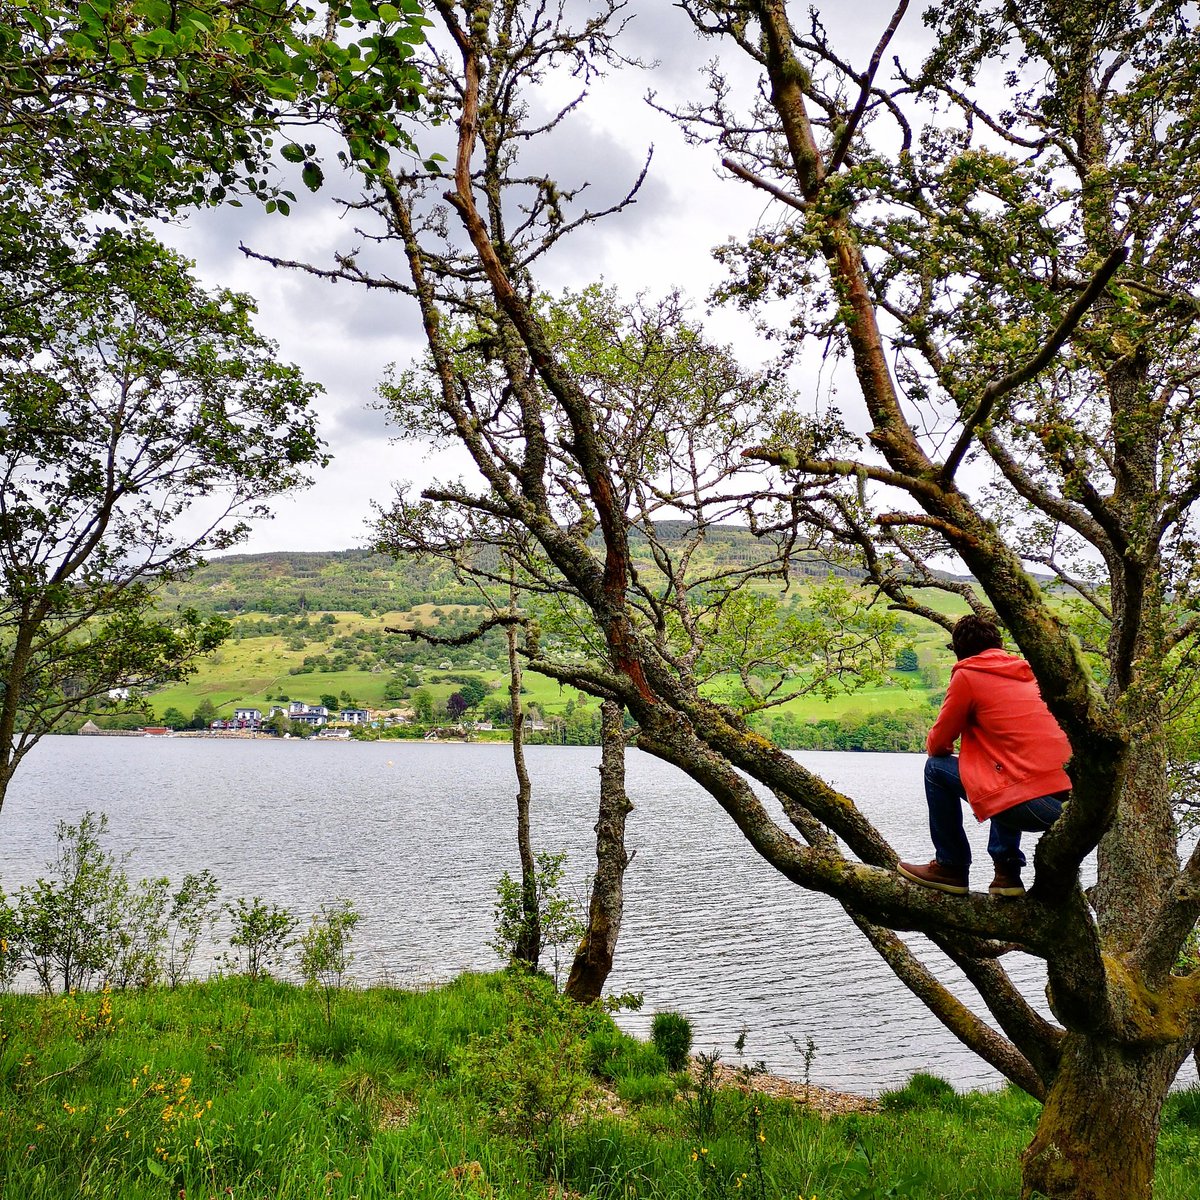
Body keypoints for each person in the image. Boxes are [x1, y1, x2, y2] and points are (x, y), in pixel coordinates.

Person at [898, 613, 1071, 897]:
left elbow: (938, 744)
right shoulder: (1031, 673)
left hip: (1032, 808)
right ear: (999, 645)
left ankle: (950, 867)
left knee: (935, 768)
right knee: (1002, 766)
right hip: (1070, 805)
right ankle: (1007, 876)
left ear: (960, 652)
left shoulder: (969, 674)